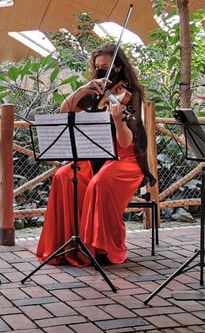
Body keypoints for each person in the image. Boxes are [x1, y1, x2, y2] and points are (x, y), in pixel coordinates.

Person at [36, 43, 154, 267]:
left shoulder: (132, 95)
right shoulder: (96, 90)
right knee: (63, 176)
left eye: (106, 67)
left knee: (100, 182)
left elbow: (126, 141)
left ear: (118, 68)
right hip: (96, 154)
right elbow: (65, 111)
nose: (101, 71)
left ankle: (101, 248)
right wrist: (84, 88)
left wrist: (119, 120)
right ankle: (71, 245)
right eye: (98, 67)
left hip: (125, 158)